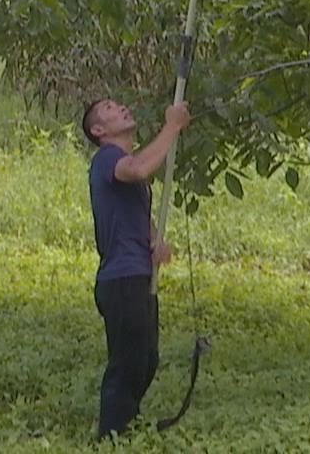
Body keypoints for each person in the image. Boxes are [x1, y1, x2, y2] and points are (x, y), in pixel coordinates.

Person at [80, 96, 191, 440]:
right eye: (110, 109)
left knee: (147, 358)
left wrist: (154, 242)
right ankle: (111, 435)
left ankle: (126, 425)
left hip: (137, 275)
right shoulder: (108, 159)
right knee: (128, 362)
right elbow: (140, 168)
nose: (121, 108)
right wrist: (172, 126)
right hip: (121, 279)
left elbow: (133, 216)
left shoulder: (126, 165)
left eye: (118, 104)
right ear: (99, 130)